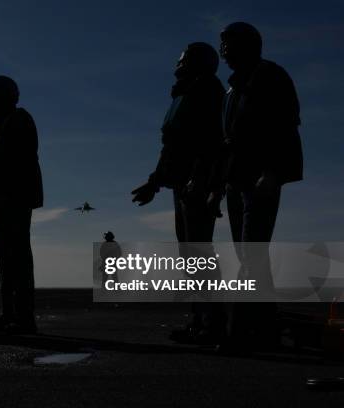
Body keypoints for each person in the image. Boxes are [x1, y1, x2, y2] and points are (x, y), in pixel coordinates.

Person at [212, 22, 303, 349]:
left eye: (229, 44)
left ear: (249, 45)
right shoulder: (231, 91)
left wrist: (273, 172)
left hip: (260, 178)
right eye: (221, 45)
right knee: (251, 256)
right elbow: (228, 143)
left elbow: (285, 125)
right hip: (237, 181)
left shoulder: (271, 76)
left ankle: (239, 335)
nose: (223, 51)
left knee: (252, 255)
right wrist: (220, 185)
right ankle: (265, 332)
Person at [131, 43, 226, 344]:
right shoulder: (184, 94)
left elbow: (209, 142)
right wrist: (154, 182)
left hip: (195, 184)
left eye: (183, 60)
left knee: (198, 253)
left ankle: (212, 323)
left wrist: (200, 180)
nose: (178, 64)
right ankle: (202, 320)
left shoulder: (207, 92)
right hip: (182, 183)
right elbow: (172, 147)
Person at [0, 75, 43, 335]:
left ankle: (22, 317)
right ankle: (11, 314)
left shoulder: (18, 121)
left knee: (16, 259)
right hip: (6, 196)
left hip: (15, 196)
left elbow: (10, 163)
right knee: (6, 259)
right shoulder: (4, 124)